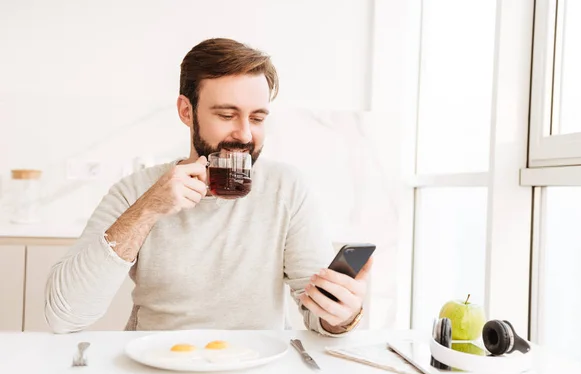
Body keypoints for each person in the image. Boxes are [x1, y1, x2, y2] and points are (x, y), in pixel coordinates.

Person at [44, 38, 373, 336]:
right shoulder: (137, 190)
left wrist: (341, 315)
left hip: (255, 368)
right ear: (187, 111)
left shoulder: (286, 188)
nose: (244, 134)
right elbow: (65, 315)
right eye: (227, 115)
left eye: (257, 118)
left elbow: (316, 314)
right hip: (153, 369)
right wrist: (148, 210)